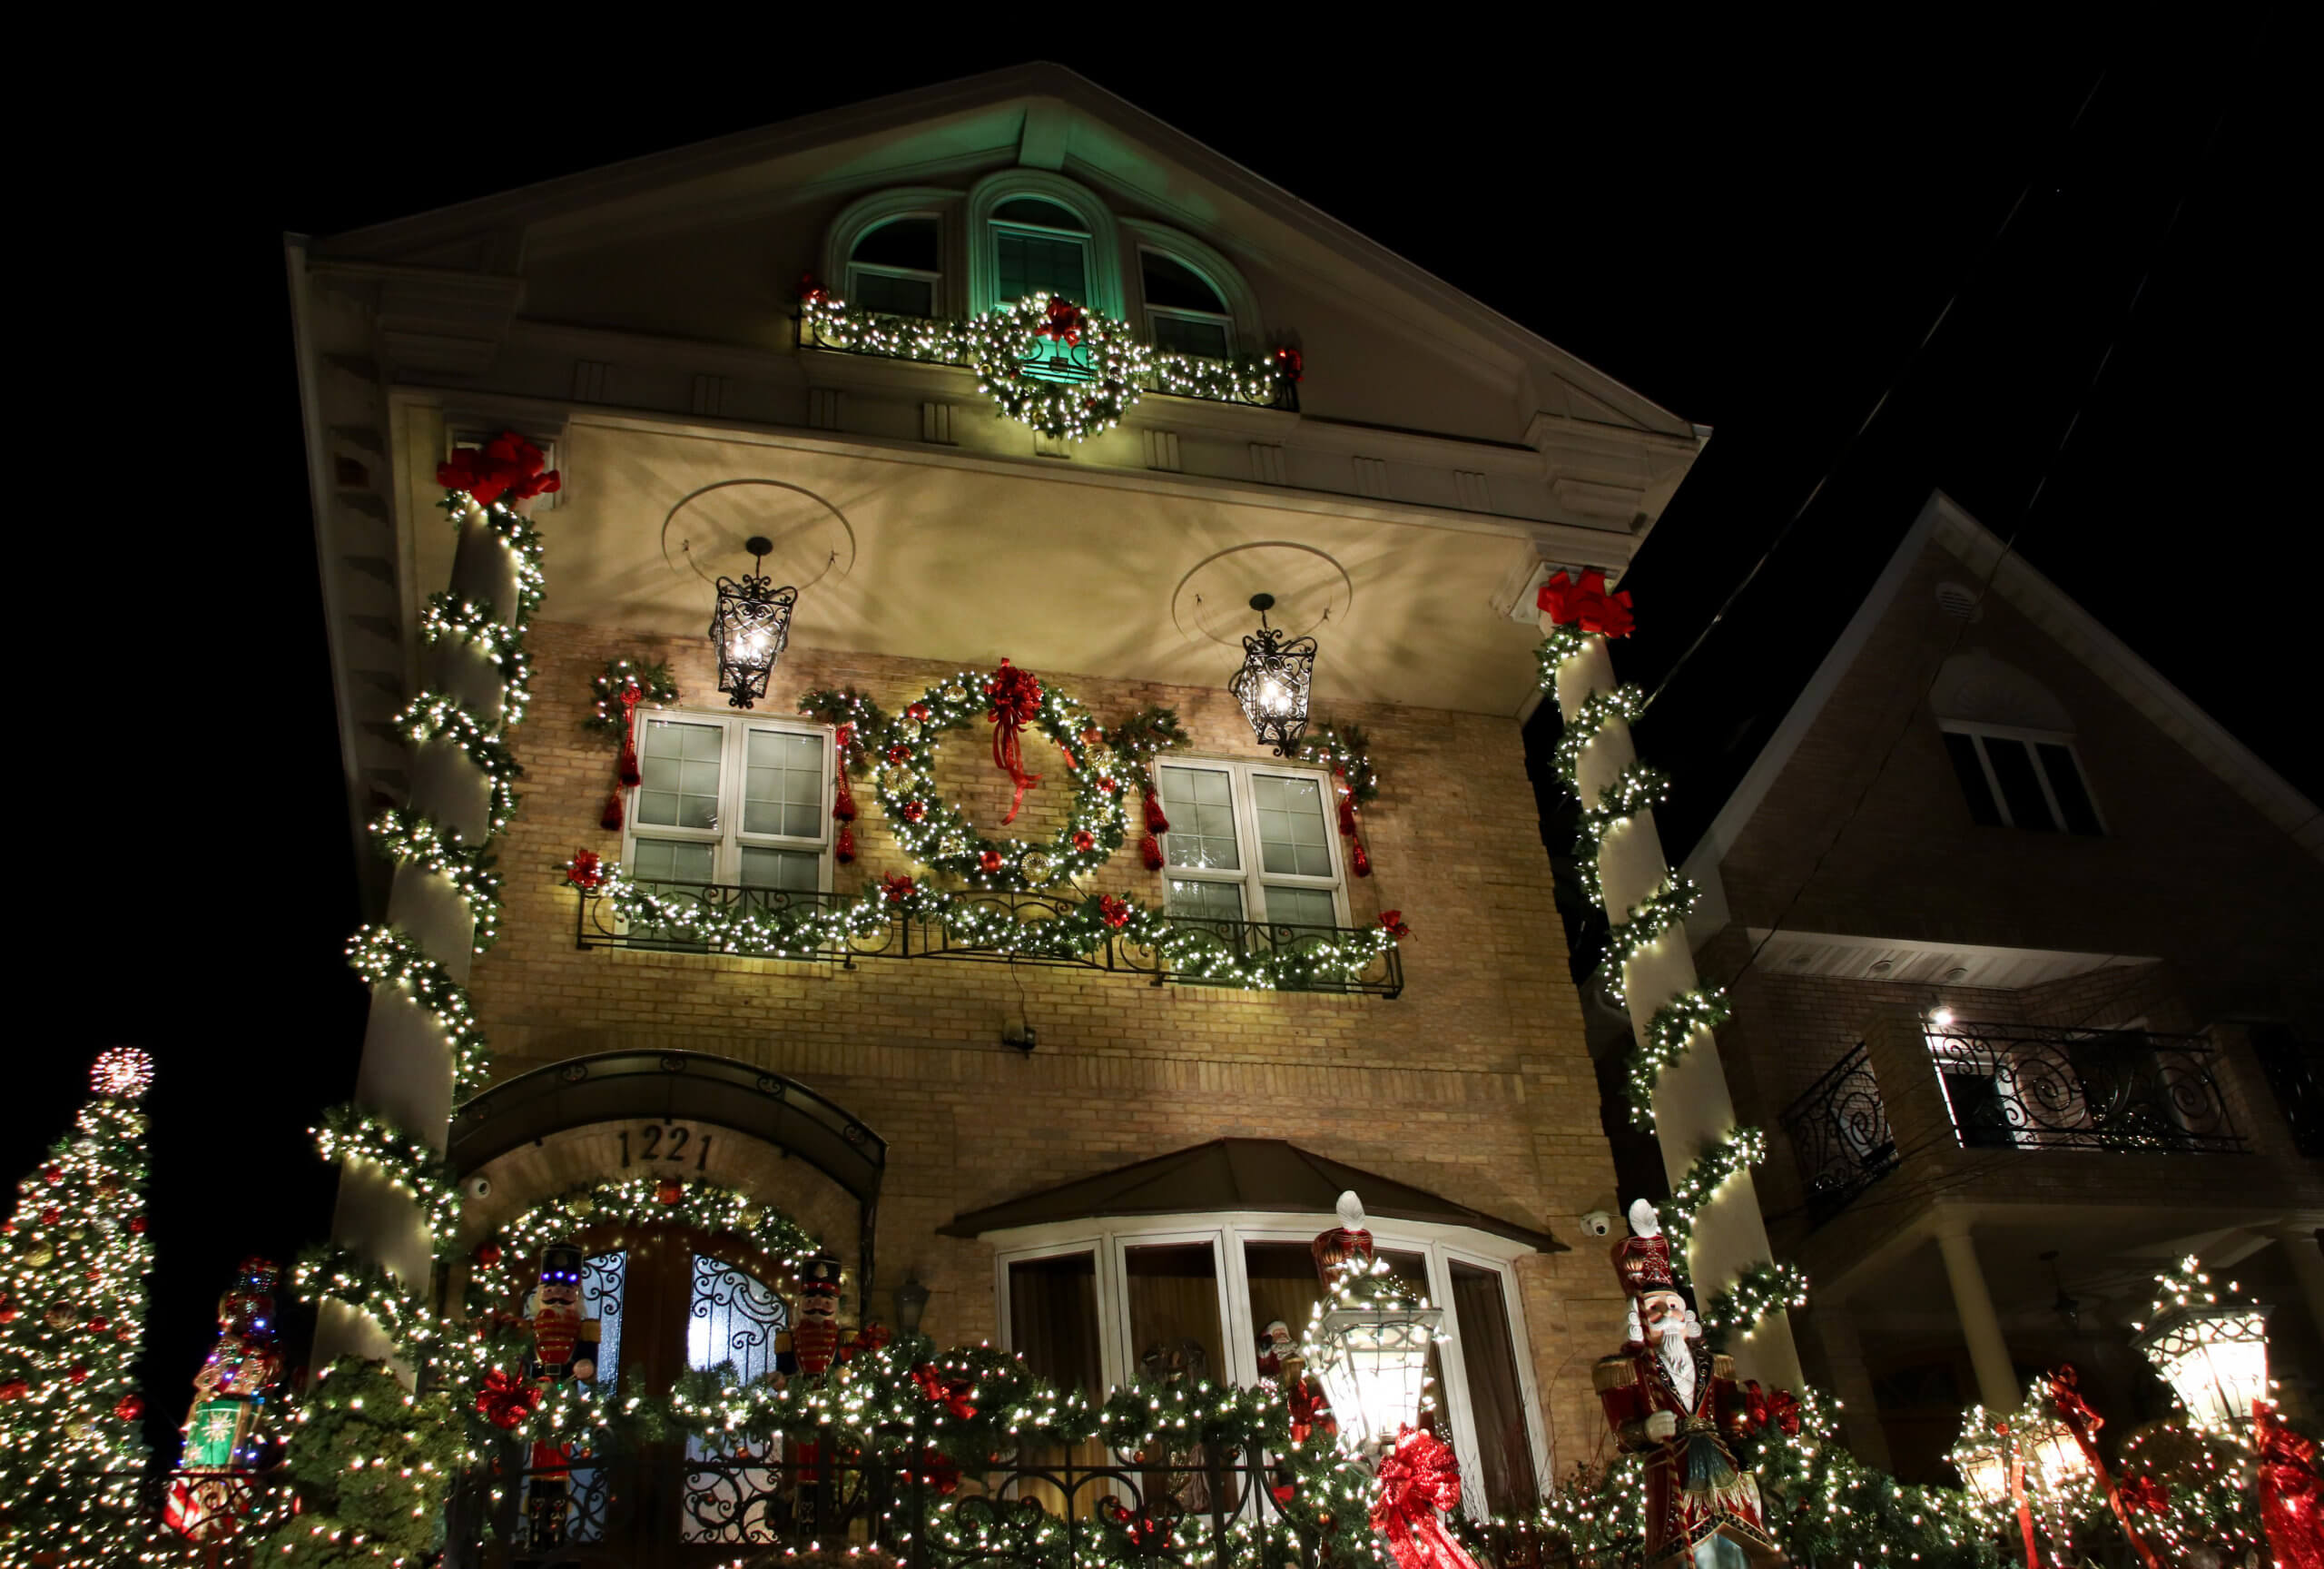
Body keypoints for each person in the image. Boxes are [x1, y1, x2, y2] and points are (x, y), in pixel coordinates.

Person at [1592, 1200, 1784, 1568]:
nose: (1666, 1316)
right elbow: (1623, 1434)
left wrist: (1756, 1417)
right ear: (1639, 1321)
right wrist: (1646, 1429)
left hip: (1725, 1473)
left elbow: (1731, 1419)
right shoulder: (1627, 1370)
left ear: (1687, 1315)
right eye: (1654, 1309)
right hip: (1673, 1474)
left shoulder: (1715, 1364)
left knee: (1740, 1551)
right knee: (1687, 1556)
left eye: (1673, 1307)